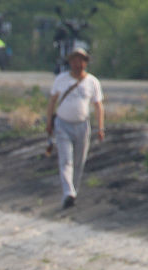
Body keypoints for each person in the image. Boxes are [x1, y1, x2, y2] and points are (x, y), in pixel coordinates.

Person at [46, 46, 104, 210]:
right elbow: (52, 101)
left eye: (80, 60)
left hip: (82, 125)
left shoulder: (92, 82)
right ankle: (68, 192)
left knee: (79, 162)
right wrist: (49, 121)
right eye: (74, 60)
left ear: (85, 63)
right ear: (69, 62)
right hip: (62, 124)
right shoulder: (61, 79)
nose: (77, 63)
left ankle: (73, 193)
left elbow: (98, 105)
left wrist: (100, 128)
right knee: (66, 160)